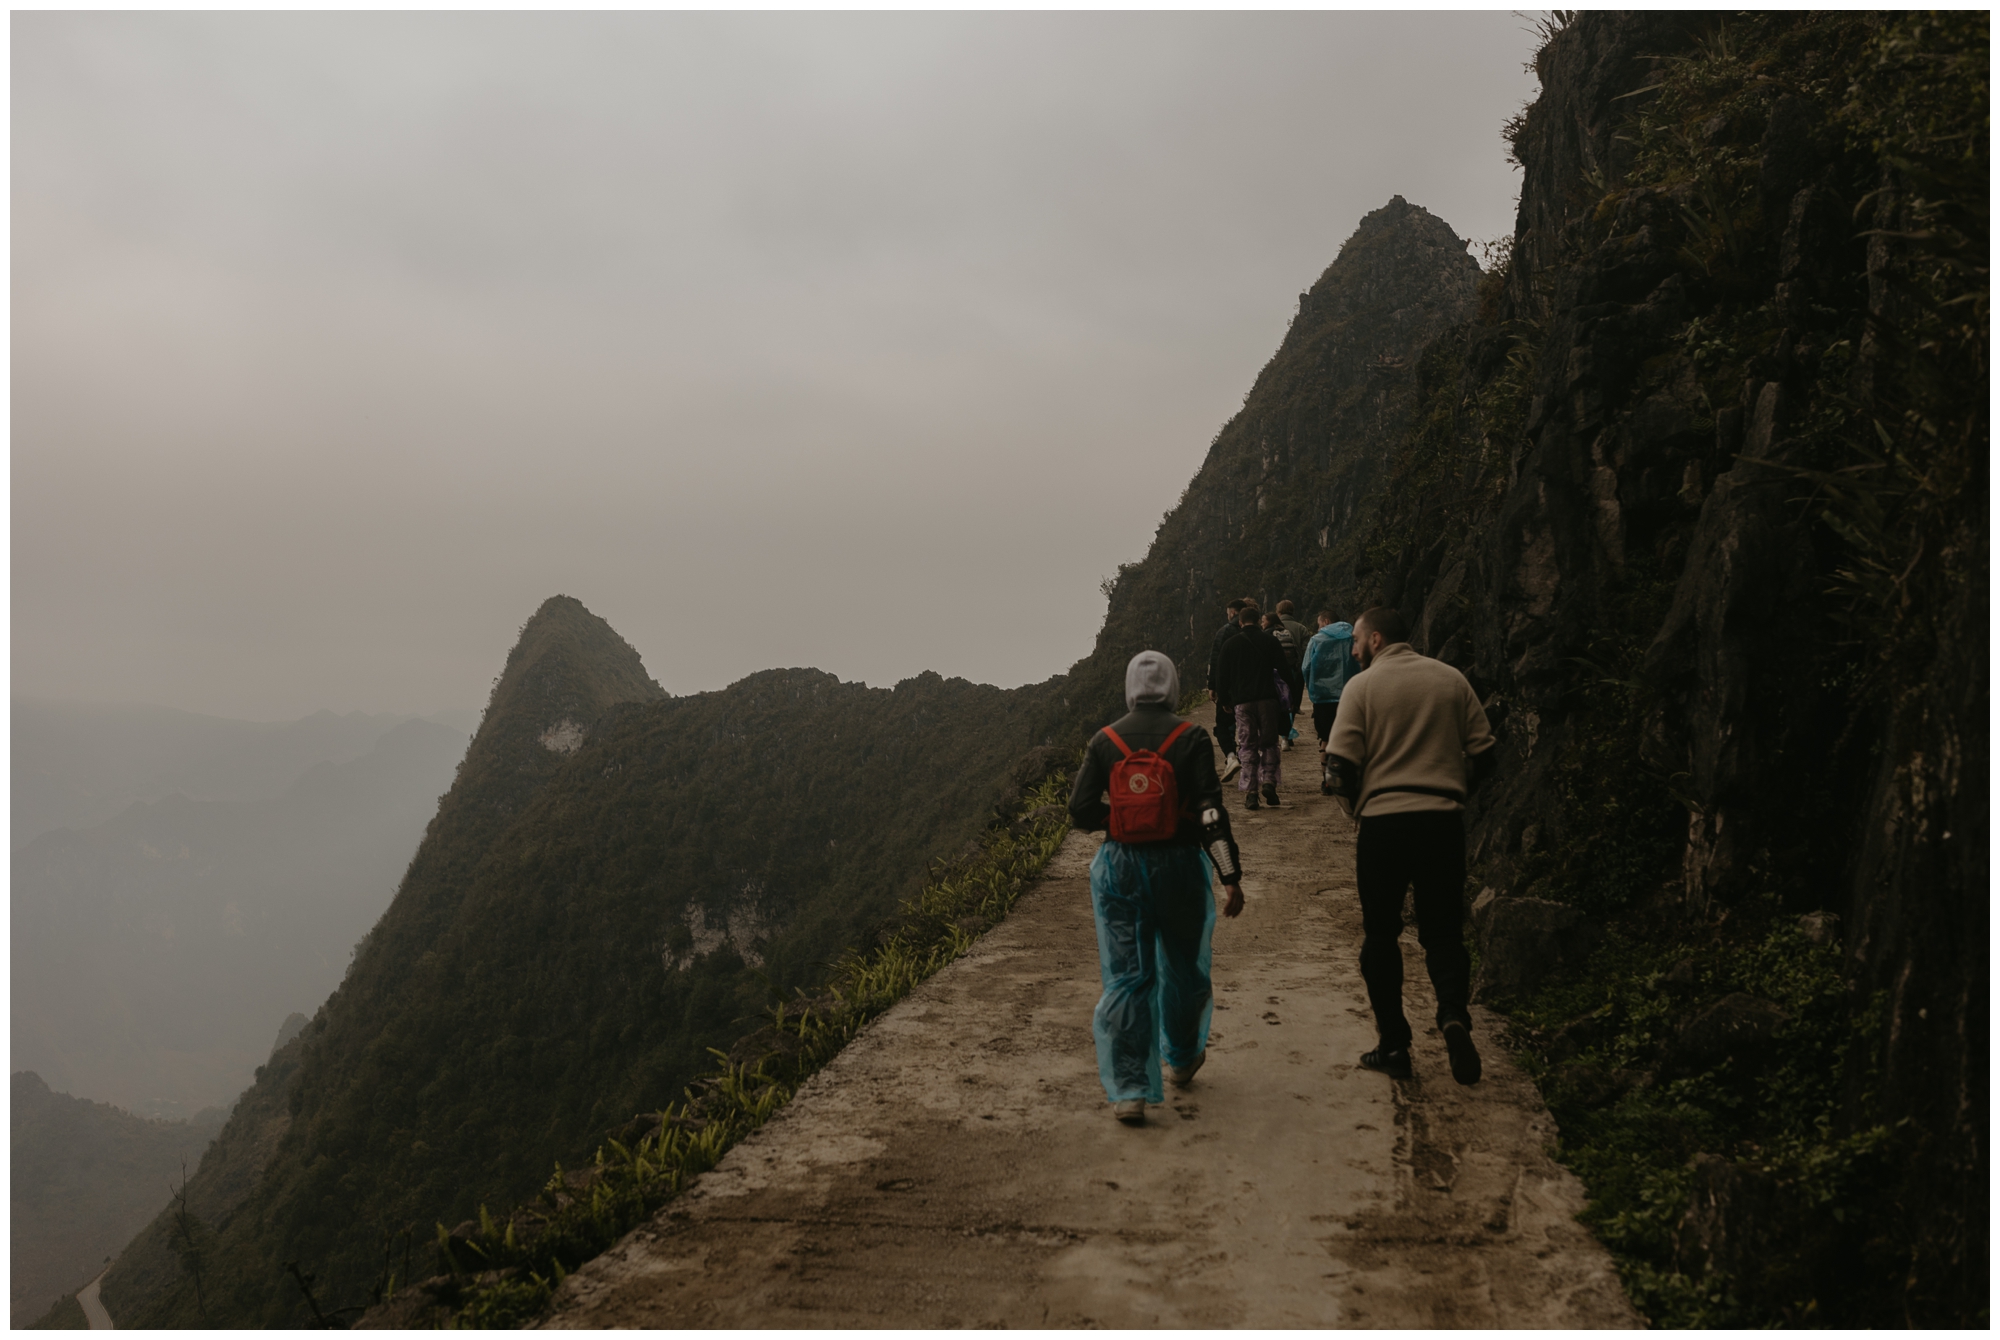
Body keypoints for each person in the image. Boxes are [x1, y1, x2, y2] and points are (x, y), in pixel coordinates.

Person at [1068, 650, 1245, 1125]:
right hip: (1180, 867)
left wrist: (1123, 821)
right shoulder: (1190, 738)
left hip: (1120, 869)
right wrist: (1230, 875)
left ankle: (1129, 1089)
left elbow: (1079, 809)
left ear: (1130, 687)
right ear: (1171, 685)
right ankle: (1183, 1059)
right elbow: (1211, 813)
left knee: (1127, 975)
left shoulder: (1104, 741)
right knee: (1184, 967)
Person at [1323, 607, 1496, 1086]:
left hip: (1384, 825)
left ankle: (1394, 1045)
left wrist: (1357, 811)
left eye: (1356, 641)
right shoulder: (1451, 679)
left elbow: (1337, 770)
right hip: (1442, 822)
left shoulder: (1361, 688)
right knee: (1443, 933)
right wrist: (1453, 792)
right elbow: (1485, 754)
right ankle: (1453, 1017)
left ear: (1376, 639)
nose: (1353, 650)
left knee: (1380, 934)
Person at [1214, 604, 1302, 810]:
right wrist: (1293, 699)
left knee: (1247, 746)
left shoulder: (1230, 644)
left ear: (1241, 622)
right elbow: (1285, 671)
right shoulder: (1270, 641)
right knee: (1269, 744)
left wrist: (1225, 701)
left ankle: (1251, 792)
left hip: (1242, 703)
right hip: (1268, 701)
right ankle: (1270, 782)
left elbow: (1221, 676)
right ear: (1258, 621)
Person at [1302, 611, 1357, 752]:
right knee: (1351, 737)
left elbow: (1306, 667)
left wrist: (1312, 688)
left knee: (1325, 738)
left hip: (1323, 697)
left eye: (1319, 624)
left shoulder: (1316, 639)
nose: (1319, 628)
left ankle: (1327, 772)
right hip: (1351, 695)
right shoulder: (1353, 637)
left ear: (1326, 621)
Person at [1205, 600, 1246, 781]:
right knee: (1248, 724)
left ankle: (1231, 757)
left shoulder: (1224, 632)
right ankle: (1250, 760)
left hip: (1228, 688)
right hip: (1251, 688)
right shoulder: (1254, 630)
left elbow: (1216, 661)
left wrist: (1212, 686)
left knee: (1222, 725)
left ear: (1233, 612)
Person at [1275, 601, 1313, 743]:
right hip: (1296, 670)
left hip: (1277, 671)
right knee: (1292, 701)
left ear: (1279, 612)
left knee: (1280, 701)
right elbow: (1306, 652)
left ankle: (1282, 733)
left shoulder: (1273, 628)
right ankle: (1287, 735)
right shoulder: (1301, 628)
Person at [1261, 612, 1298, 748]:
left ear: (1269, 621)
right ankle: (1286, 738)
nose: (1262, 623)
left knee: (1274, 706)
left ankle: (1276, 739)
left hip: (1273, 674)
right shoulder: (1286, 632)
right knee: (1287, 704)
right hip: (1289, 671)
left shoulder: (1267, 635)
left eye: (1264, 621)